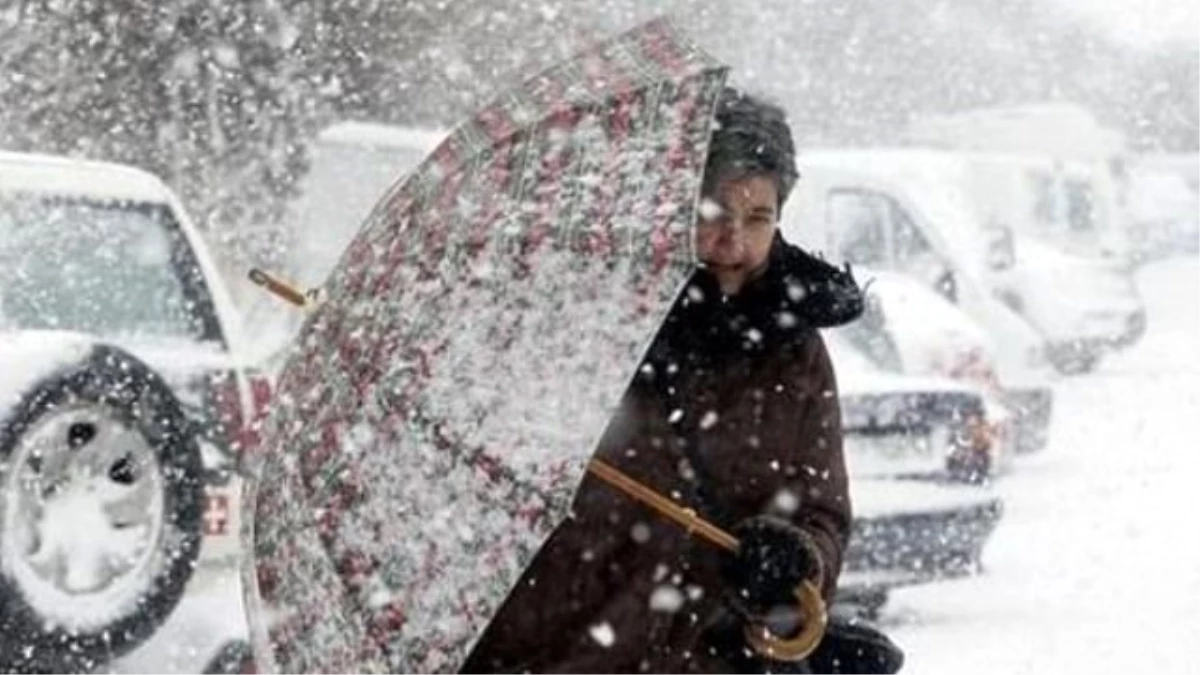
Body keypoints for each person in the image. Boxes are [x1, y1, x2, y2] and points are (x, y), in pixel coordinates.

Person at [462, 88, 888, 674]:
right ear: (671, 210)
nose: (734, 244)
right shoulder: (590, 327)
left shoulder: (796, 351)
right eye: (713, 216)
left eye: (758, 217)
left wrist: (796, 559)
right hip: (569, 656)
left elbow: (822, 510)